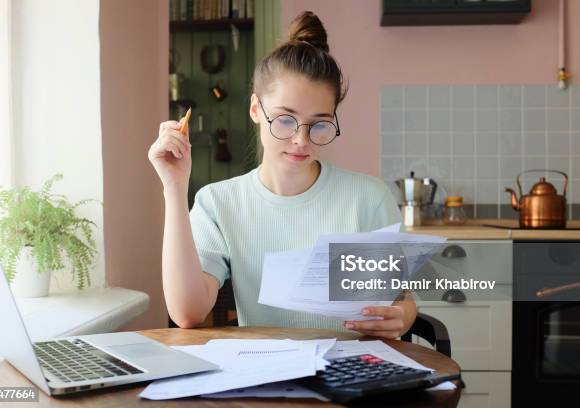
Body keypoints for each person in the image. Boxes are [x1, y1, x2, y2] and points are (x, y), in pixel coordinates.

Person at [148, 11, 416, 338]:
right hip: (266, 374)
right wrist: (174, 188)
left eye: (319, 124)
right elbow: (187, 313)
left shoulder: (368, 198)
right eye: (286, 120)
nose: (301, 140)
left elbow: (402, 300)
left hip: (351, 375)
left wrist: (401, 316)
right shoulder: (218, 202)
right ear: (256, 110)